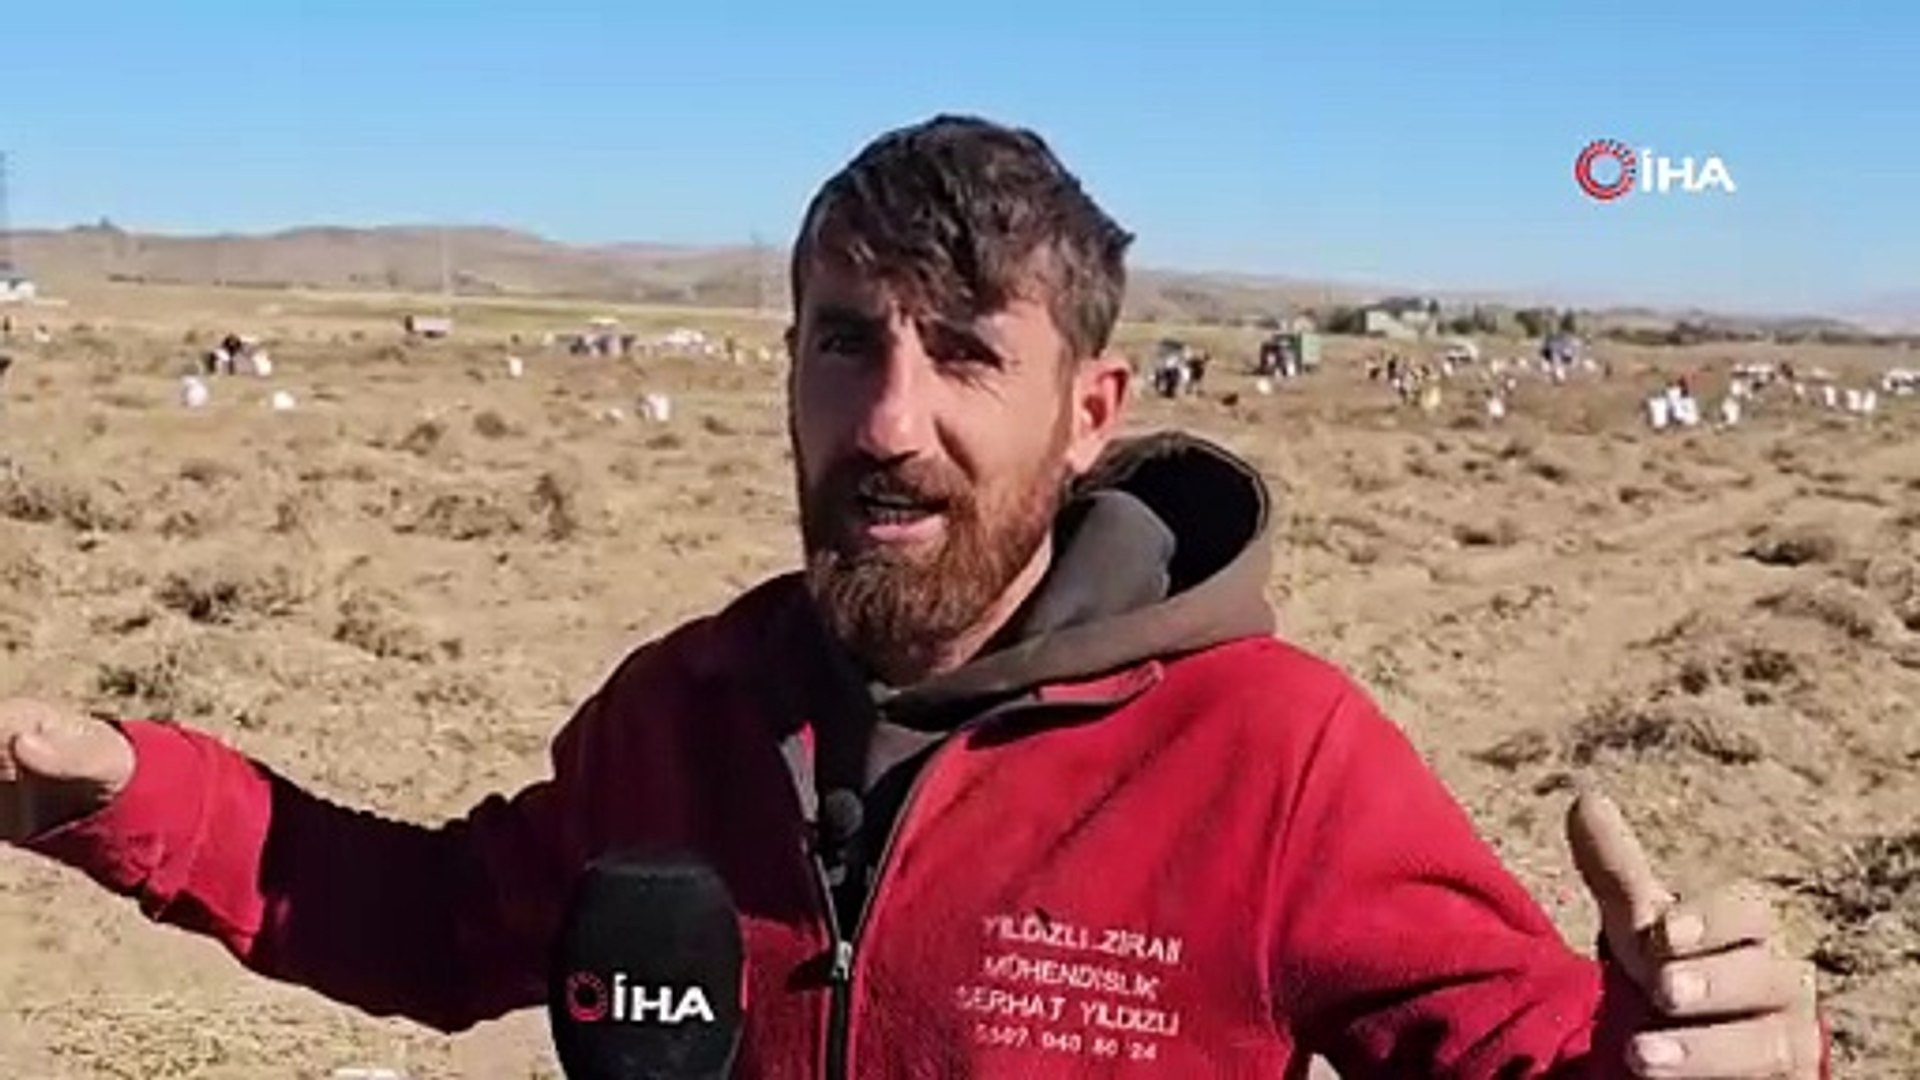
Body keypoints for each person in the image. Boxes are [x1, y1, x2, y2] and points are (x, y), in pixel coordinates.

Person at [1, 115, 1826, 1078]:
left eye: (964, 354)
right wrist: (132, 792)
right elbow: (434, 923)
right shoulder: (685, 709)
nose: (887, 423)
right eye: (842, 345)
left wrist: (1715, 1052)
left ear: (1089, 412)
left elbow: (1536, 1059)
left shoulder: (1274, 759)